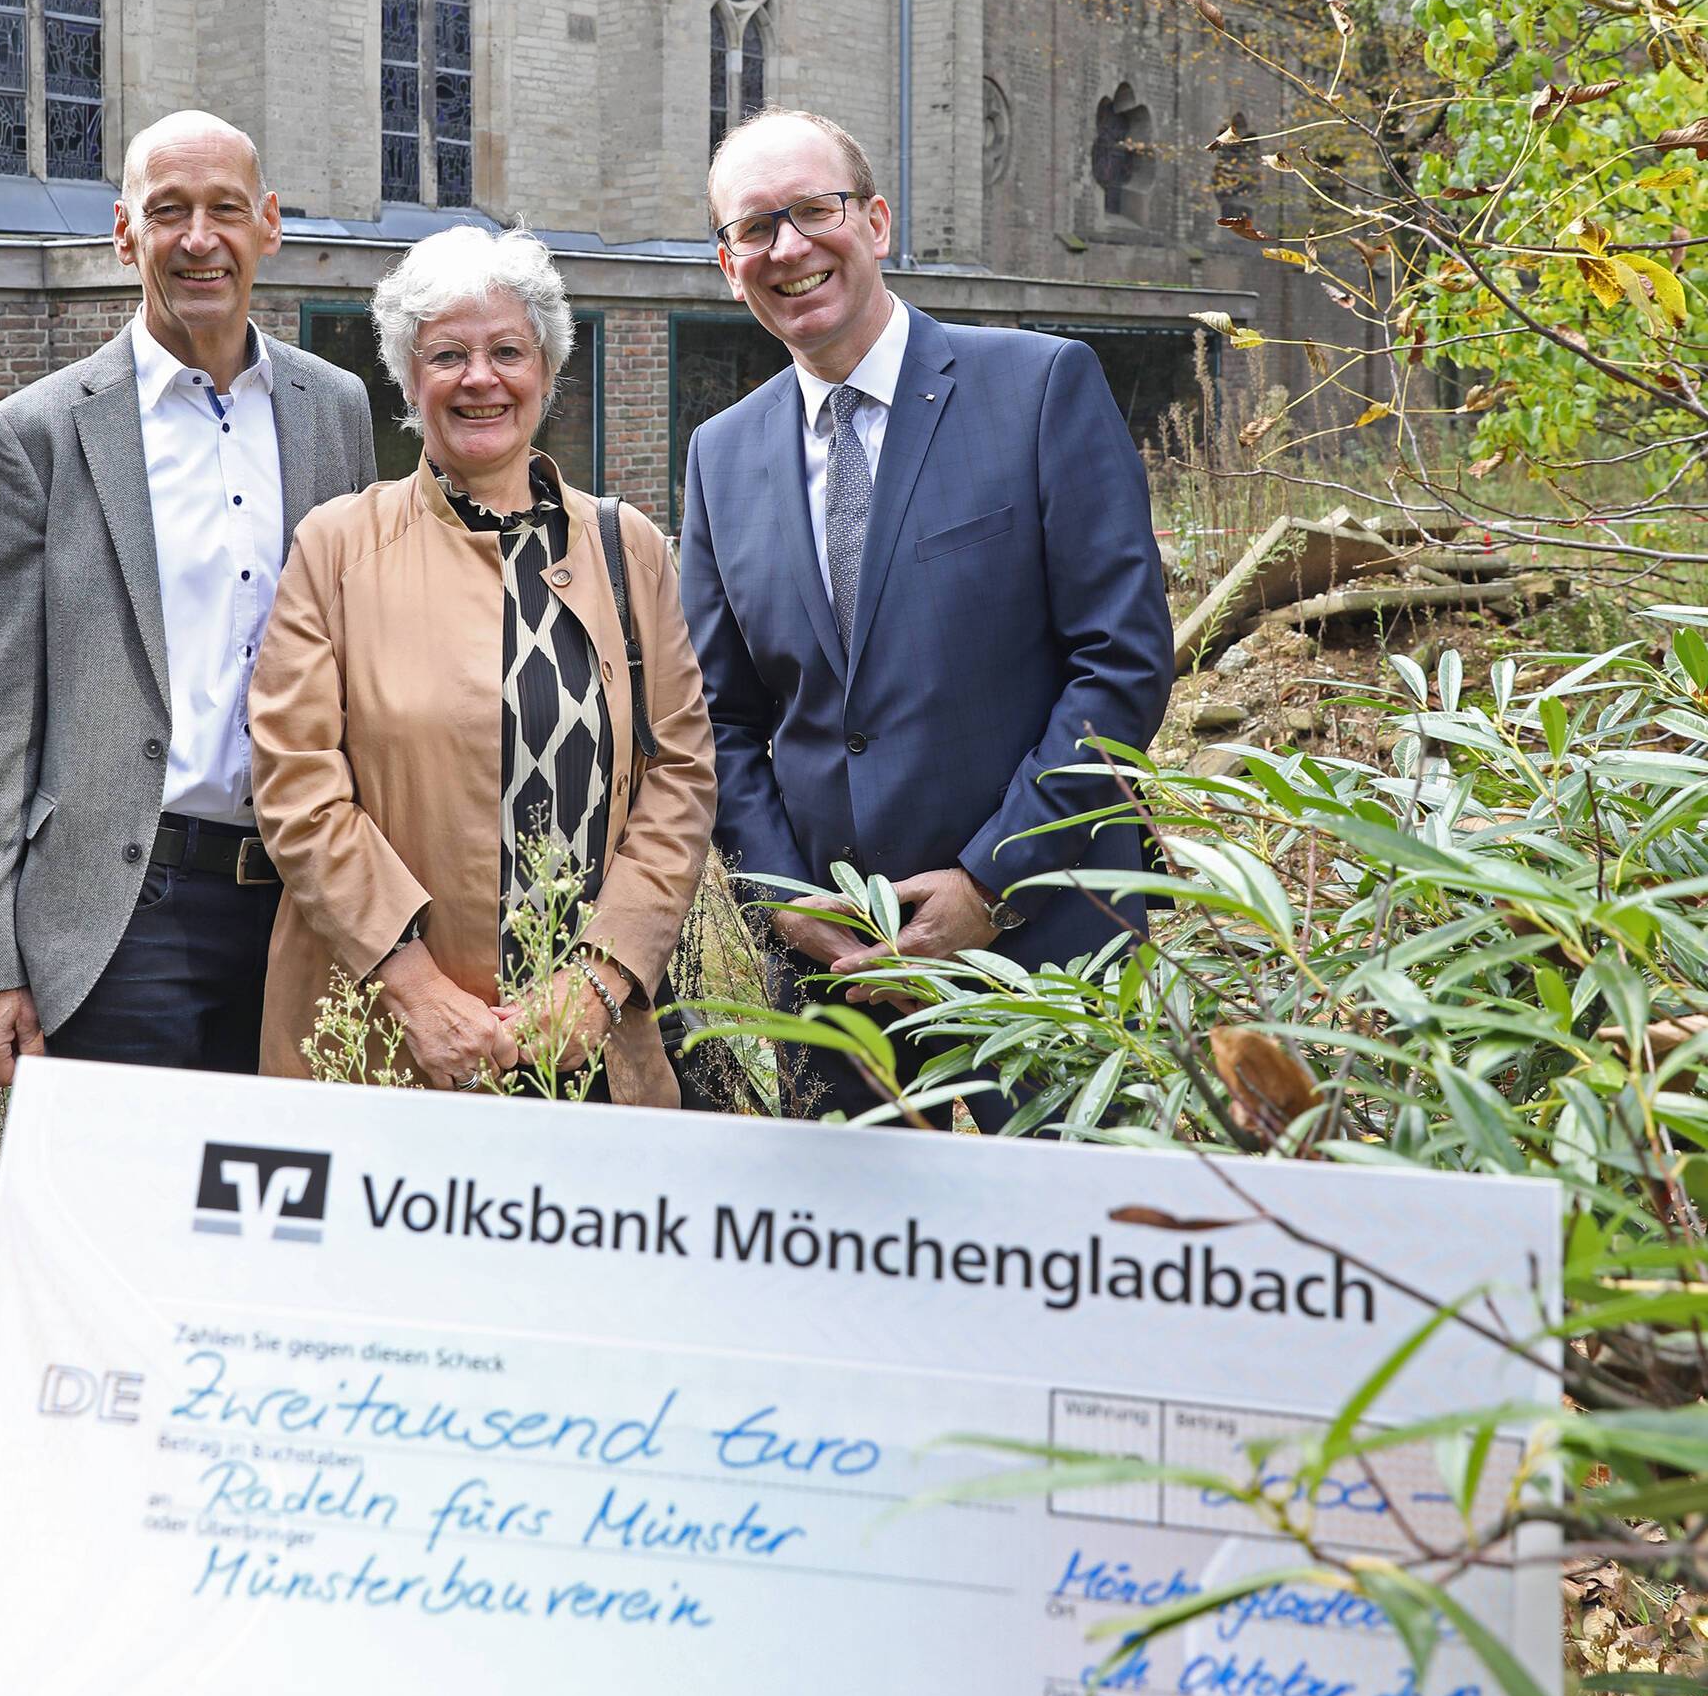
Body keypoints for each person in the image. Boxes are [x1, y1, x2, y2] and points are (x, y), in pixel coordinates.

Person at [678, 108, 1173, 1124]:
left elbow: (1117, 663)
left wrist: (991, 880)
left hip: (1044, 938)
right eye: (754, 229)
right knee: (851, 1271)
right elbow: (716, 720)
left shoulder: (1037, 388)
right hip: (835, 981)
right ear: (728, 267)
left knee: (1066, 1249)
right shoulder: (719, 456)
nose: (788, 247)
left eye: (813, 211)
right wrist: (787, 904)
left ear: (877, 222)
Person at [0, 110, 376, 1085]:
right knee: (128, 1221)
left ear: (267, 224)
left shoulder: (334, 410)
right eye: (167, 210)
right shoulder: (36, 436)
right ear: (122, 231)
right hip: (117, 911)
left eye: (225, 209)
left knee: (282, 1215)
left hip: (304, 906)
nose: (198, 238)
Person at [249, 226, 715, 1102]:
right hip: (383, 1038)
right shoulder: (337, 546)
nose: (480, 378)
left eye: (508, 350)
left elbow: (680, 776)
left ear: (546, 368)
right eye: (448, 355)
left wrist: (601, 981)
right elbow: (297, 787)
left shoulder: (629, 547)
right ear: (408, 375)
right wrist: (416, 990)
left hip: (590, 1046)